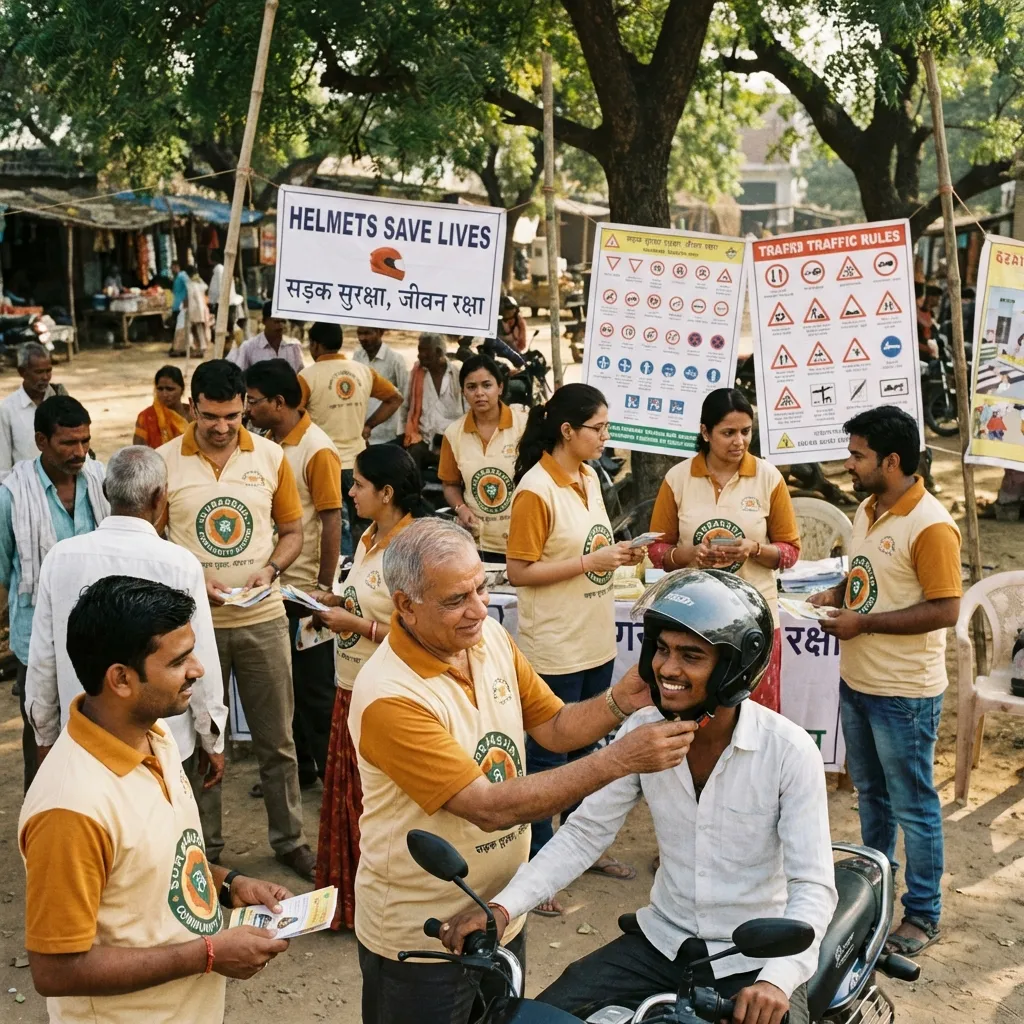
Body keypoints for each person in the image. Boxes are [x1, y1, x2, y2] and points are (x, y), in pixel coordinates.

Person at [439, 570, 837, 1024]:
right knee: (539, 1016)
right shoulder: (641, 734)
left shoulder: (787, 751)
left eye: (691, 656)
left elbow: (813, 887)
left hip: (751, 960)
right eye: (662, 650)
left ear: (733, 668)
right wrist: (503, 908)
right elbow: (584, 834)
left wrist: (776, 980)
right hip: (660, 946)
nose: (668, 669)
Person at [348, 518, 698, 1024]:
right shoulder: (391, 697)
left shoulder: (487, 636)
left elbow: (554, 726)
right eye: (455, 600)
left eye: (481, 587)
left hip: (499, 913)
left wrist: (620, 702)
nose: (478, 608)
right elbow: (487, 810)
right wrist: (620, 759)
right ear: (405, 605)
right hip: (421, 936)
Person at [19, 575, 292, 1023]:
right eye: (179, 660)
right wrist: (208, 954)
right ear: (121, 679)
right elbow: (55, 970)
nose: (198, 669)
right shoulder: (70, 808)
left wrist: (230, 885)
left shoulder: (155, 735)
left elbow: (158, 863)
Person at [811, 405, 962, 956]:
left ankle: (922, 915)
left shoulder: (932, 525)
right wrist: (835, 597)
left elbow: (946, 609)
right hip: (858, 682)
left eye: (858, 456)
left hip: (904, 694)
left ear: (892, 461)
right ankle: (872, 896)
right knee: (872, 797)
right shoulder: (868, 508)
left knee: (914, 805)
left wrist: (864, 623)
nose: (849, 464)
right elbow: (866, 577)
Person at [158, 359, 315, 880]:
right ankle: (205, 848)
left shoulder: (271, 457)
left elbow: (292, 531)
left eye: (233, 416)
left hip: (262, 617)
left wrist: (271, 568)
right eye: (210, 417)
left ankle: (289, 839)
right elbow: (153, 540)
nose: (223, 427)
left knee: (278, 740)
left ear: (245, 406)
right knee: (201, 741)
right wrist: (190, 576)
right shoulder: (163, 463)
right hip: (191, 628)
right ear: (192, 408)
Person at [24, 446, 226, 799]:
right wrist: (212, 736)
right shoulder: (179, 562)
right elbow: (198, 658)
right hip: (164, 743)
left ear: (105, 491)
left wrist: (44, 736)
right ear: (159, 496)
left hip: (86, 738)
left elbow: (42, 660)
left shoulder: (61, 558)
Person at [505, 383, 642, 899]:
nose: (606, 437)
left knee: (590, 750)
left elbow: (590, 549)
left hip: (594, 639)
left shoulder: (588, 476)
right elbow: (519, 571)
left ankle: (584, 847)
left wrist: (618, 554)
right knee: (547, 758)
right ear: (567, 430)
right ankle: (540, 869)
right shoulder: (535, 490)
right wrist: (591, 562)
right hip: (555, 646)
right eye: (598, 428)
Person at [313, 444, 428, 931]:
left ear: (386, 492)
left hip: (389, 695)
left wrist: (353, 624)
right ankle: (353, 905)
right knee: (351, 801)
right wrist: (334, 600)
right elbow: (367, 602)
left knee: (381, 808)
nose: (350, 491)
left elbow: (421, 635)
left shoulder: (414, 549)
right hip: (351, 685)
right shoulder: (366, 538)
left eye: (358, 484)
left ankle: (390, 909)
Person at [648, 387, 801, 713]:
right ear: (705, 432)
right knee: (701, 718)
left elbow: (790, 551)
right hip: (692, 623)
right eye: (728, 433)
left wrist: (755, 549)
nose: (739, 442)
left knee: (755, 718)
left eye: (746, 432)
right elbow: (657, 548)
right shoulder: (678, 479)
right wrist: (688, 556)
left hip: (754, 621)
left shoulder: (768, 477)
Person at [0, 395, 108, 791]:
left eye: (85, 441)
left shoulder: (102, 481)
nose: (80, 452)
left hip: (100, 635)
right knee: (42, 741)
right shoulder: (12, 497)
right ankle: (43, 837)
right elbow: (4, 574)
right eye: (69, 443)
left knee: (101, 740)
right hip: (39, 640)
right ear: (41, 441)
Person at [244, 358, 342, 788]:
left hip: (304, 592)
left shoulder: (316, 448)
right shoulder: (266, 440)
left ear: (278, 403)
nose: (247, 408)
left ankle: (331, 779)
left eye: (253, 401)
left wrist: (323, 588)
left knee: (315, 690)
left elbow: (332, 519)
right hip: (274, 587)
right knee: (284, 688)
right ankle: (300, 769)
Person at [298, 321, 402, 554]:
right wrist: (368, 425)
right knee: (365, 526)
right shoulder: (362, 371)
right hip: (359, 464)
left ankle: (340, 578)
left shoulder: (306, 377)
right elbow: (395, 398)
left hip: (326, 464)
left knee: (335, 526)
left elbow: (294, 415)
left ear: (315, 345)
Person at [438, 354, 528, 562]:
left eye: (487, 385)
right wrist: (461, 509)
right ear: (463, 393)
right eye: (471, 387)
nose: (479, 393)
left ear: (500, 388)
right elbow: (450, 484)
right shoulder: (454, 434)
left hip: (524, 539)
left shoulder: (524, 426)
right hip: (479, 544)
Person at [0, 342, 69, 478]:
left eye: (48, 370)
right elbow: (3, 463)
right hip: (25, 488)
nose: (45, 377)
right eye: (39, 372)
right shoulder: (7, 409)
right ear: (22, 372)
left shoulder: (60, 399)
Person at [402, 332, 465, 472]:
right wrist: (404, 434)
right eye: (419, 350)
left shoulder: (457, 373)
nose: (419, 355)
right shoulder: (416, 374)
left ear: (438, 352)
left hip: (453, 440)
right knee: (410, 461)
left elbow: (468, 410)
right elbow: (405, 406)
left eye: (424, 351)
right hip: (424, 439)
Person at [352, 326, 410, 445]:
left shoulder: (395, 360)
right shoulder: (358, 356)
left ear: (380, 332)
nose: (362, 338)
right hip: (361, 433)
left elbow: (405, 397)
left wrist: (404, 431)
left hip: (387, 435)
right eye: (360, 333)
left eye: (367, 333)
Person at [227, 300, 304, 373]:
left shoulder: (294, 347)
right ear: (264, 321)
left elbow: (300, 376)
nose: (281, 326)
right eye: (276, 321)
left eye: (283, 321)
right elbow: (240, 375)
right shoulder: (249, 347)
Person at [133, 364, 192, 448]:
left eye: (170, 389)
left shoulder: (195, 414)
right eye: (160, 389)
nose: (164, 394)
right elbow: (139, 451)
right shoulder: (146, 417)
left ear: (182, 389)